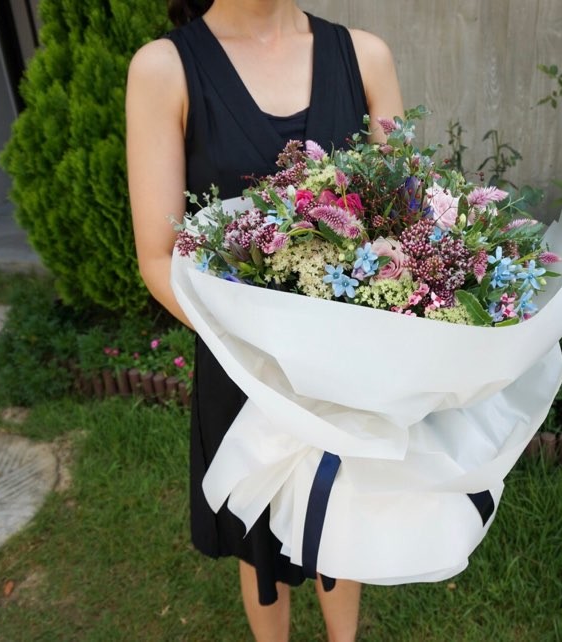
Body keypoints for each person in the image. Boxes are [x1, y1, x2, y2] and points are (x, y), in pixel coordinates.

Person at [126, 1, 403, 640]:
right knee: (259, 544)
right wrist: (265, 356)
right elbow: (158, 256)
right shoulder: (165, 69)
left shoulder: (365, 58)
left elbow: (402, 215)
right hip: (243, 369)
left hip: (349, 367)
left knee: (342, 518)